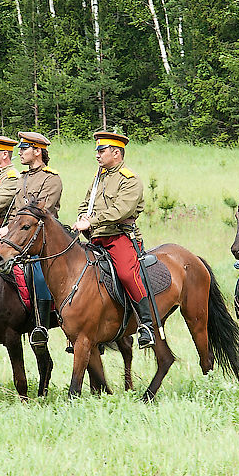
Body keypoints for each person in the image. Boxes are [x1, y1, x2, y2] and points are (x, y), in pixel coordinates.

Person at [73, 131, 155, 349]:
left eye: (101, 151)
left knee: (127, 274)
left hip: (119, 237)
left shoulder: (130, 180)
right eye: (97, 151)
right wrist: (82, 217)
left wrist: (91, 222)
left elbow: (121, 210)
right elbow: (85, 204)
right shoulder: (99, 177)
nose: (97, 155)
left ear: (116, 153)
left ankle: (146, 325)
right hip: (96, 237)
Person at [0, 131, 63, 346]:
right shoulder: (22, 178)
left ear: (37, 151)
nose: (20, 153)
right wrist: (7, 228)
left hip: (42, 236)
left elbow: (44, 210)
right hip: (19, 233)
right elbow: (15, 211)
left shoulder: (51, 179)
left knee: (39, 275)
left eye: (24, 149)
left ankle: (41, 325)